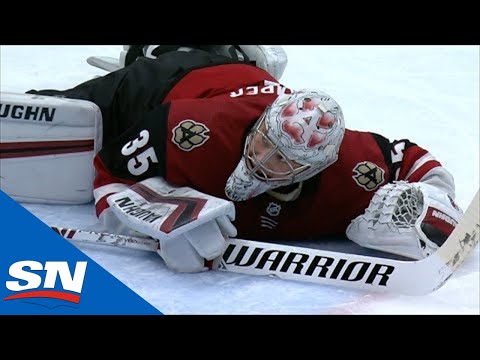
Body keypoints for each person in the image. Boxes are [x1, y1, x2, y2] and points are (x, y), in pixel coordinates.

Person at [11, 45, 465, 272]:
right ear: (264, 123)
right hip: (170, 83)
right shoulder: (191, 129)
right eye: (264, 141)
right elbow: (110, 167)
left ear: (316, 165)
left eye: (283, 160)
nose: (264, 159)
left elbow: (413, 159)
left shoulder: (352, 164)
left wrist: (432, 198)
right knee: (78, 108)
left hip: (242, 77)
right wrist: (156, 209)